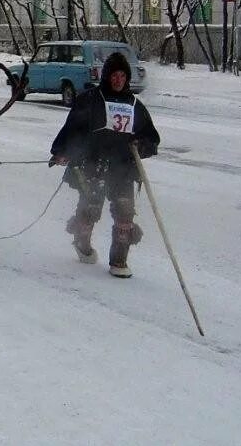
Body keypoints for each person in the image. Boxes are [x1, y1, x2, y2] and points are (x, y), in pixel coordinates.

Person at [49, 52, 161, 278]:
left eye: (122, 75)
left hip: (123, 168)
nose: (118, 80)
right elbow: (72, 128)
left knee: (124, 212)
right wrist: (62, 151)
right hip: (92, 164)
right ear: (107, 76)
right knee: (91, 208)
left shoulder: (134, 105)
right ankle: (81, 240)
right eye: (114, 75)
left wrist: (142, 145)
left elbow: (151, 138)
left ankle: (119, 260)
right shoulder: (90, 100)